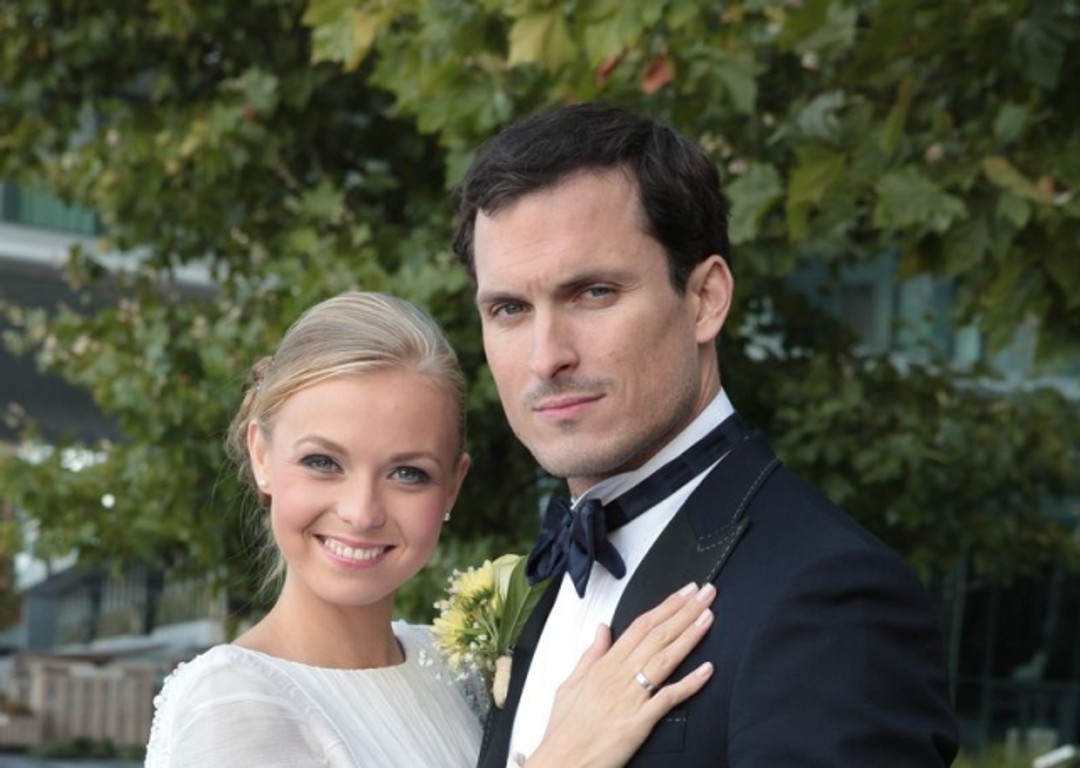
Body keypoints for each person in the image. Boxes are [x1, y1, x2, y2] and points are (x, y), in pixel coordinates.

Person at [453, 102, 960, 767]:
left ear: (705, 299)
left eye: (594, 292)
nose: (546, 357)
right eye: (509, 308)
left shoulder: (830, 597)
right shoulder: (545, 583)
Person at [144, 291, 717, 768]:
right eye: (323, 462)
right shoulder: (230, 704)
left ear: (453, 486)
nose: (362, 511)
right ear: (261, 455)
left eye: (407, 473)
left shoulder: (455, 676)